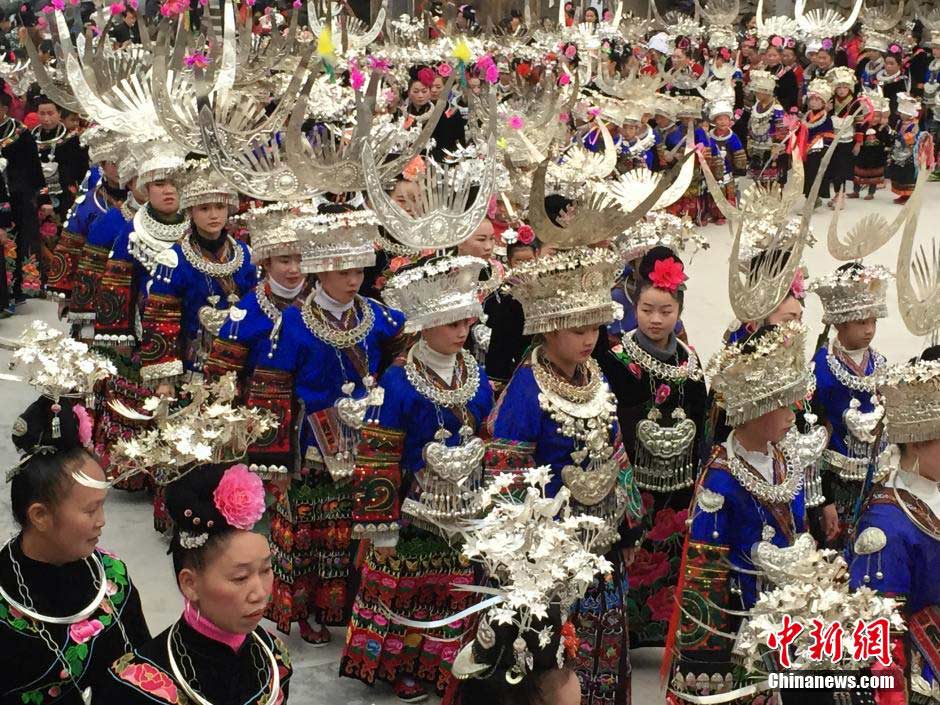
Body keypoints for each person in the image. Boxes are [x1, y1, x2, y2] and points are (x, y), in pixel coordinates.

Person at [486, 245, 644, 705]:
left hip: (602, 544)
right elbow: (508, 478)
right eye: (578, 329)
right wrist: (522, 555)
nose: (589, 338)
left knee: (604, 643)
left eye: (595, 326)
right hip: (549, 554)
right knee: (554, 656)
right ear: (548, 329)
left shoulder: (594, 376)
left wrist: (630, 528)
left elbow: (617, 453)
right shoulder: (525, 389)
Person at [341, 256, 493, 702]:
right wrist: (378, 522)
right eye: (450, 323)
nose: (461, 331)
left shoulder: (476, 373)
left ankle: (448, 661)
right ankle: (400, 664)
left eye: (465, 322)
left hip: (466, 501)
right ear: (425, 324)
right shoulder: (398, 381)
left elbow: (488, 431)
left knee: (457, 583)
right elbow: (377, 455)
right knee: (410, 587)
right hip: (412, 504)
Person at [262, 205, 406, 645]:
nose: (353, 280)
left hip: (368, 440)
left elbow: (405, 352)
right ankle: (308, 612)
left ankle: (353, 608)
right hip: (314, 444)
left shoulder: (379, 316)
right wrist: (273, 461)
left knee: (359, 526)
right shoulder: (293, 323)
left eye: (359, 270)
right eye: (343, 271)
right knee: (316, 529)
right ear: (321, 270)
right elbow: (272, 389)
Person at [665, 322, 814, 702]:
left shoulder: (785, 457)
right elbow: (704, 576)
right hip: (740, 621)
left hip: (790, 611)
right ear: (754, 408)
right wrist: (708, 653)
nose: (793, 414)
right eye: (784, 403)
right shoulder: (720, 480)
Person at [1, 340, 150, 705]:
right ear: (40, 515)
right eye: (89, 510)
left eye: (102, 506)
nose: (102, 522)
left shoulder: (112, 579)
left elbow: (142, 674)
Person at [99, 462, 293, 704]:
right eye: (240, 578)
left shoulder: (274, 657)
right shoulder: (135, 687)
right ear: (190, 584)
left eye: (266, 570)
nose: (259, 593)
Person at [599, 247, 708, 649]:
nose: (656, 319)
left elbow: (702, 422)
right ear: (634, 306)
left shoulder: (691, 361)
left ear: (679, 309)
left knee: (670, 555)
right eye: (647, 309)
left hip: (678, 481)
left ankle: (663, 632)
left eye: (665, 310)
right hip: (634, 482)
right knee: (632, 556)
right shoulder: (614, 360)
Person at [849, 347, 940, 704]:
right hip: (919, 680)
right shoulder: (885, 525)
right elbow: (878, 640)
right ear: (917, 440)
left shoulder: (929, 495)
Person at [138, 160, 253, 393]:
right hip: (193, 371)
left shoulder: (245, 255)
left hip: (240, 369)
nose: (214, 215)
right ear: (190, 211)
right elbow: (162, 321)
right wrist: (165, 377)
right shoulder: (173, 260)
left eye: (219, 207)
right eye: (204, 208)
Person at [809, 262, 891, 547]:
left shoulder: (880, 363)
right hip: (835, 479)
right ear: (841, 321)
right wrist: (824, 501)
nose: (869, 330)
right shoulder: (821, 368)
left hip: (876, 477)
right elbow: (812, 438)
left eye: (873, 322)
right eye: (861, 322)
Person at [46, 127, 126, 309]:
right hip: (94, 281)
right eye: (114, 163)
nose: (121, 168)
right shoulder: (88, 204)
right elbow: (70, 248)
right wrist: (66, 292)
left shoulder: (143, 202)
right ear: (102, 166)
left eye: (125, 162)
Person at [483, 234, 538, 395]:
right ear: (509, 261)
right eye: (519, 262)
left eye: (529, 260)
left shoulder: (545, 291)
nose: (524, 266)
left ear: (536, 257)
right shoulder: (498, 297)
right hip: (509, 362)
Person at [32, 96, 88, 223]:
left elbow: (81, 173)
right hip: (35, 196)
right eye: (42, 113)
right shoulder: (30, 139)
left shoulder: (73, 140)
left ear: (59, 114)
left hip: (65, 196)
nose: (46, 119)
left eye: (50, 113)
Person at [746, 70, 788, 185]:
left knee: (771, 179)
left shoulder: (777, 108)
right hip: (756, 146)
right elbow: (751, 123)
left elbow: (781, 130)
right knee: (757, 178)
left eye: (759, 92)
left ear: (768, 92)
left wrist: (776, 146)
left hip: (770, 148)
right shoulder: (756, 105)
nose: (756, 94)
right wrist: (749, 139)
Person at [826, 66, 859, 210]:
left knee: (842, 168)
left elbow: (861, 124)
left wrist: (858, 142)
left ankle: (841, 196)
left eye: (845, 87)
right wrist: (826, 111)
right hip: (832, 138)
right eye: (839, 87)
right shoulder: (831, 100)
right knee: (833, 167)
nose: (841, 90)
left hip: (847, 139)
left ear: (850, 88)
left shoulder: (855, 102)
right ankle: (837, 193)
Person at [851, 90, 892, 197]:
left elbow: (887, 141)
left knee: (874, 176)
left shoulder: (882, 128)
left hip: (876, 156)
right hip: (863, 155)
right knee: (858, 173)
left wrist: (887, 151)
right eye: (872, 116)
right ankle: (856, 191)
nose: (875, 119)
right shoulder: (862, 127)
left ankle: (871, 193)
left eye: (878, 116)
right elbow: (857, 138)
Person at [802, 78, 835, 206]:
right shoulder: (807, 115)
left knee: (815, 174)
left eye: (817, 100)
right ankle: (809, 198)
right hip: (806, 150)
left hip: (817, 151)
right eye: (812, 99)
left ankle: (814, 199)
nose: (814, 103)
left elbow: (828, 135)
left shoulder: (826, 118)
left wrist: (821, 147)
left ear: (823, 102)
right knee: (807, 174)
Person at [888, 93, 923, 204]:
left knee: (908, 174)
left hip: (909, 153)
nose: (901, 115)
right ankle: (902, 194)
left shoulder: (914, 125)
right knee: (899, 173)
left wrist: (902, 137)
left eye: (904, 113)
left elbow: (912, 137)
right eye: (901, 113)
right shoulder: (900, 122)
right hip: (898, 151)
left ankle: (908, 196)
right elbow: (896, 132)